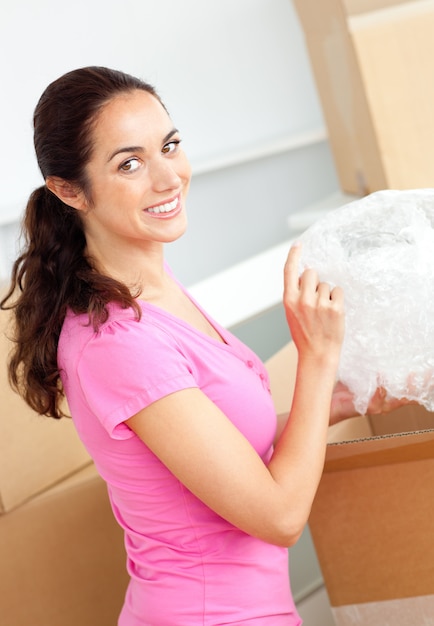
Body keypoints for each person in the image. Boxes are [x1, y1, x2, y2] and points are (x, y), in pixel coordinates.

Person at [0, 66, 403, 626]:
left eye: (169, 146)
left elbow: (221, 447)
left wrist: (333, 403)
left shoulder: (153, 289)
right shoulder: (117, 342)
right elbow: (280, 516)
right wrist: (315, 357)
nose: (169, 178)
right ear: (70, 191)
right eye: (130, 163)